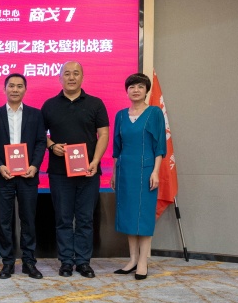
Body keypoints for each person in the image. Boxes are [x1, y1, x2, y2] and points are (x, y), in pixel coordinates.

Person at [41, 61, 110, 278]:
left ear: (82, 77)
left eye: (76, 73)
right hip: (59, 173)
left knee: (85, 219)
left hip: (88, 171)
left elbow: (104, 134)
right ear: (59, 78)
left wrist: (95, 161)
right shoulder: (49, 105)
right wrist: (52, 146)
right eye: (67, 74)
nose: (71, 77)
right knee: (63, 218)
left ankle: (83, 261)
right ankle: (65, 261)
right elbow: (39, 135)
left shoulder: (95, 103)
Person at [0, 73, 47, 279]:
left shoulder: (35, 114)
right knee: (4, 221)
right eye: (11, 86)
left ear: (25, 90)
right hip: (2, 175)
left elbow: (41, 142)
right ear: (4, 89)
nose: (15, 89)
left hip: (28, 175)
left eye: (19, 86)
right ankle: (8, 263)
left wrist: (35, 165)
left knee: (28, 220)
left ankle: (29, 262)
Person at [111, 73, 167, 280]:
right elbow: (117, 148)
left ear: (146, 91)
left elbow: (159, 146)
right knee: (128, 214)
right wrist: (114, 173)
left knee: (143, 215)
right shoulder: (120, 115)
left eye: (140, 87)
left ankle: (143, 261)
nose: (136, 90)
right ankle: (132, 259)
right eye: (132, 87)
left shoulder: (154, 113)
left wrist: (156, 171)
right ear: (126, 91)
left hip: (146, 171)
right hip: (125, 171)